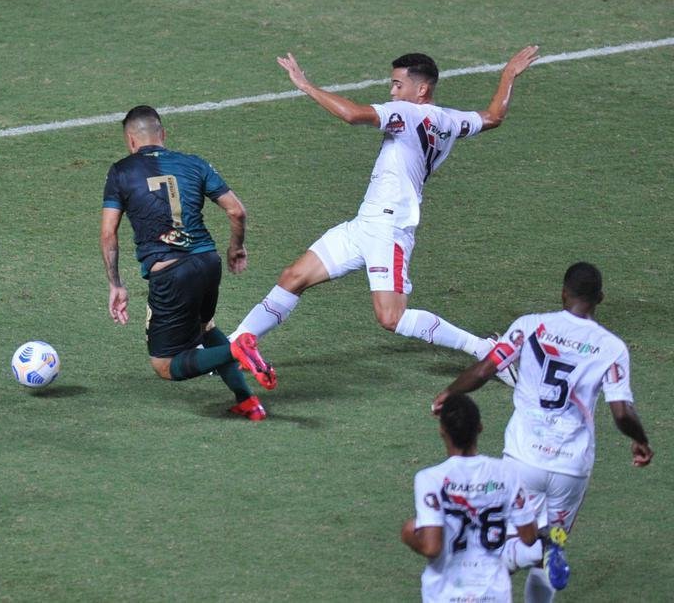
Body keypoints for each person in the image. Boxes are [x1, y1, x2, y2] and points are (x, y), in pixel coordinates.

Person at [228, 46, 541, 383]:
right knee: (293, 277)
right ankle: (232, 345)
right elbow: (493, 116)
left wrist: (306, 85)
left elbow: (352, 114)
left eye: (397, 84)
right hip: (365, 223)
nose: (392, 91)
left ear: (421, 89)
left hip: (389, 229)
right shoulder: (450, 120)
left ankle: (486, 350)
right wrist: (509, 74)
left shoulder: (407, 112)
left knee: (392, 317)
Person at [433, 262, 653, 602]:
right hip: (571, 466)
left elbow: (485, 369)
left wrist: (450, 393)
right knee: (551, 547)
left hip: (523, 456)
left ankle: (522, 558)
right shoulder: (611, 347)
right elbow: (622, 412)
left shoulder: (530, 326)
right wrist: (640, 440)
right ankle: (547, 549)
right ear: (600, 298)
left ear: (563, 293)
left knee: (507, 542)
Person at [100, 105, 276, 420]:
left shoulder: (121, 171)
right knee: (205, 326)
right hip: (208, 262)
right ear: (163, 134)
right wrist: (236, 247)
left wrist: (116, 284)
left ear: (131, 141)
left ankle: (237, 349)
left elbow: (108, 233)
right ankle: (248, 400)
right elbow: (236, 210)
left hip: (171, 274)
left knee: (164, 365)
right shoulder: (194, 163)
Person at [403, 393, 538, 603]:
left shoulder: (430, 479)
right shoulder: (507, 473)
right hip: (494, 595)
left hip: (446, 594)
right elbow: (529, 537)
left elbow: (431, 547)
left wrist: (408, 535)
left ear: (442, 430)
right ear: (480, 428)